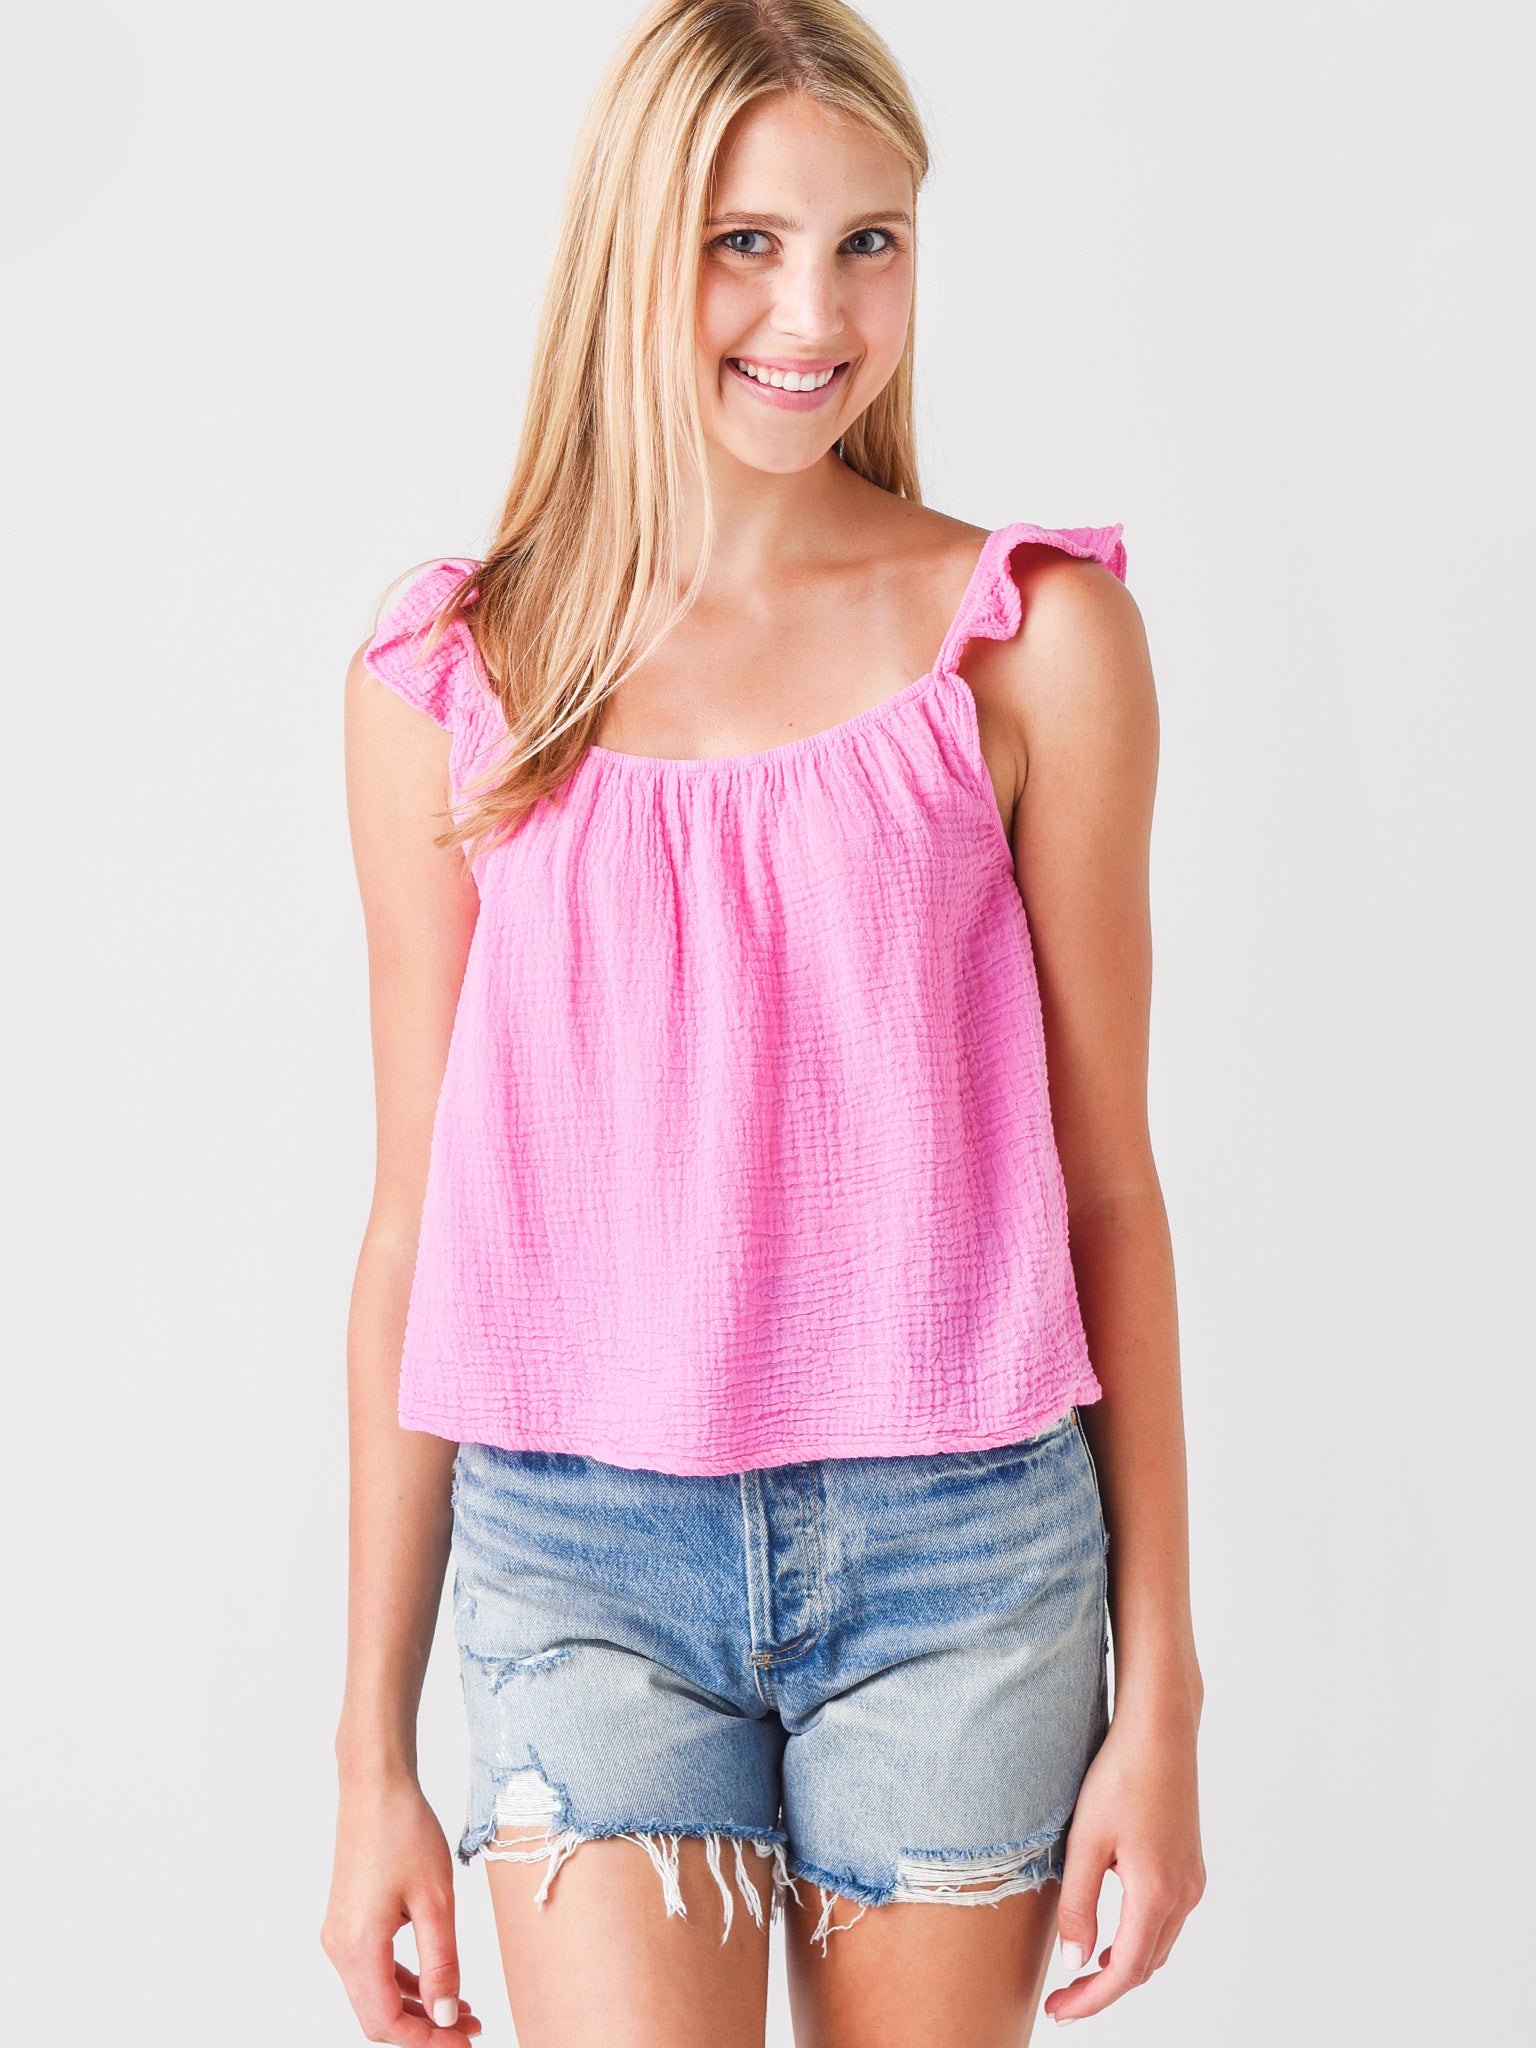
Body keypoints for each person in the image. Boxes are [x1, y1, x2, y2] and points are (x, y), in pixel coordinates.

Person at [321, 3, 1205, 2042]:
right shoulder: (456, 681)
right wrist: (370, 1756)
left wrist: (1162, 1694)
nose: (815, 313)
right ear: (630, 248)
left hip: (961, 1559)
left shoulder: (1036, 646)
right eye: (746, 242)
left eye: (868, 241)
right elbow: (412, 1228)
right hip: (577, 1560)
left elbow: (1110, 1195)